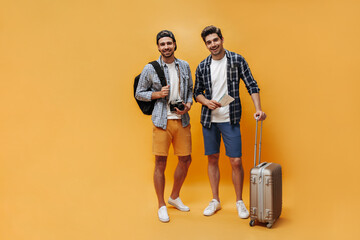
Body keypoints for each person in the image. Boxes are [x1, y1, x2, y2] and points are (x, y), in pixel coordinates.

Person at [193, 25, 267, 219]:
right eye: (208, 42)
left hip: (230, 117)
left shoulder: (236, 60)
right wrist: (206, 102)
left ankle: (239, 201)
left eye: (215, 40)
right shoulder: (202, 66)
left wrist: (258, 109)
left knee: (235, 161)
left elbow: (252, 84)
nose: (213, 44)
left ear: (222, 39)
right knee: (212, 159)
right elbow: (196, 93)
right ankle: (215, 200)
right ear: (206, 45)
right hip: (209, 120)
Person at [135, 30, 193, 223]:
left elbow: (191, 90)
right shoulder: (150, 68)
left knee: (186, 160)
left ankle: (174, 196)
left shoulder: (184, 66)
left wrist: (189, 105)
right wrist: (158, 94)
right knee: (160, 163)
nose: (166, 47)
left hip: (182, 120)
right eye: (162, 44)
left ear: (175, 44)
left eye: (169, 43)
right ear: (158, 47)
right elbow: (139, 93)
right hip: (161, 121)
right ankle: (161, 205)